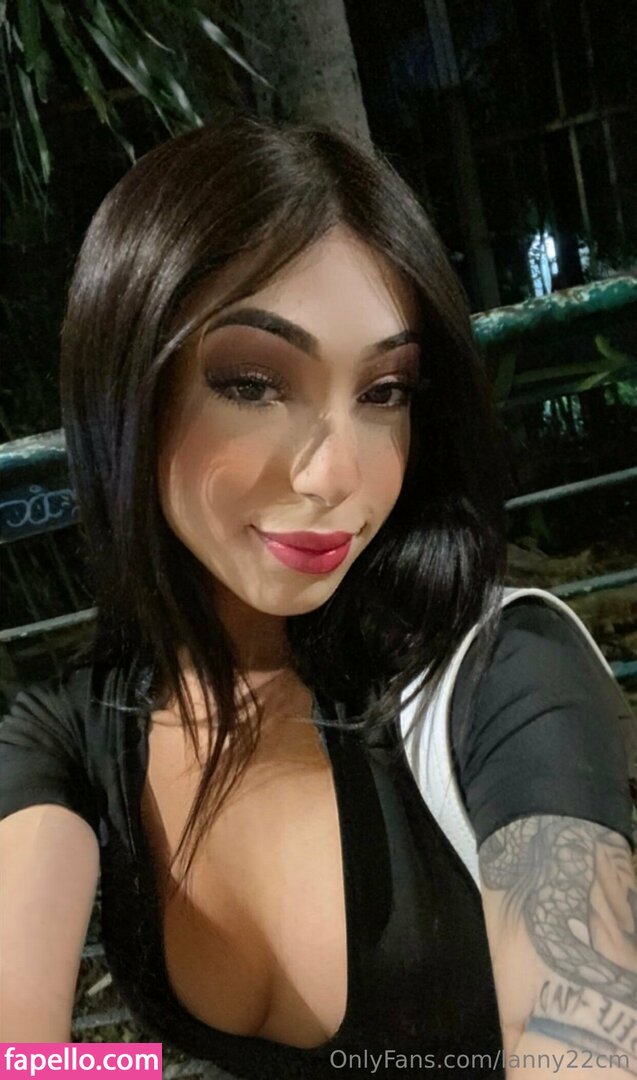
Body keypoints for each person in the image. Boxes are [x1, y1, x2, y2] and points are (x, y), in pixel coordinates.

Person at [0, 114, 635, 1080]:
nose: (338, 473)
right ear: (126, 389)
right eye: (254, 382)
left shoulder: (500, 680)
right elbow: (22, 1056)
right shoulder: (72, 731)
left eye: (384, 392)